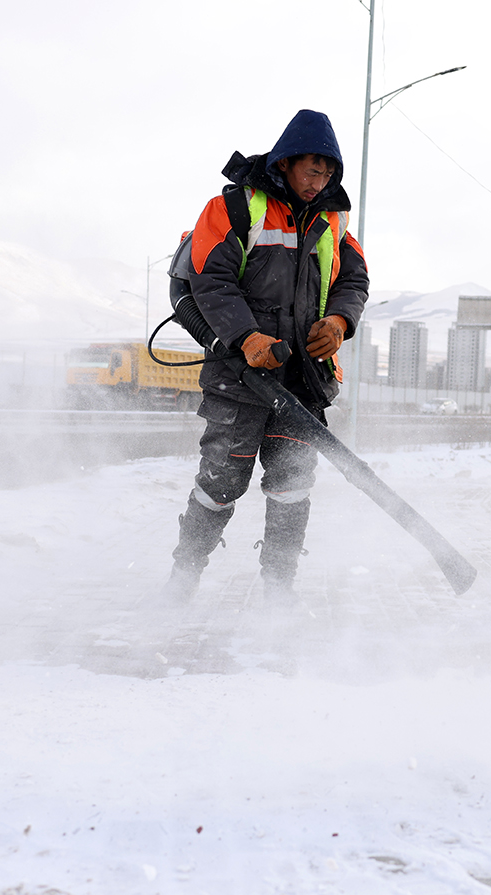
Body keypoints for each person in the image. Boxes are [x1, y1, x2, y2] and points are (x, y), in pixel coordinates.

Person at [163, 109, 369, 604]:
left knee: (292, 487)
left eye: (328, 173)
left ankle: (279, 592)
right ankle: (182, 579)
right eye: (311, 169)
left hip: (302, 383)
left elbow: (354, 279)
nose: (319, 180)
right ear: (286, 162)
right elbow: (208, 277)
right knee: (221, 483)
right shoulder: (235, 207)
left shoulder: (332, 222)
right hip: (239, 381)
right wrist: (247, 338)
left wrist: (339, 323)